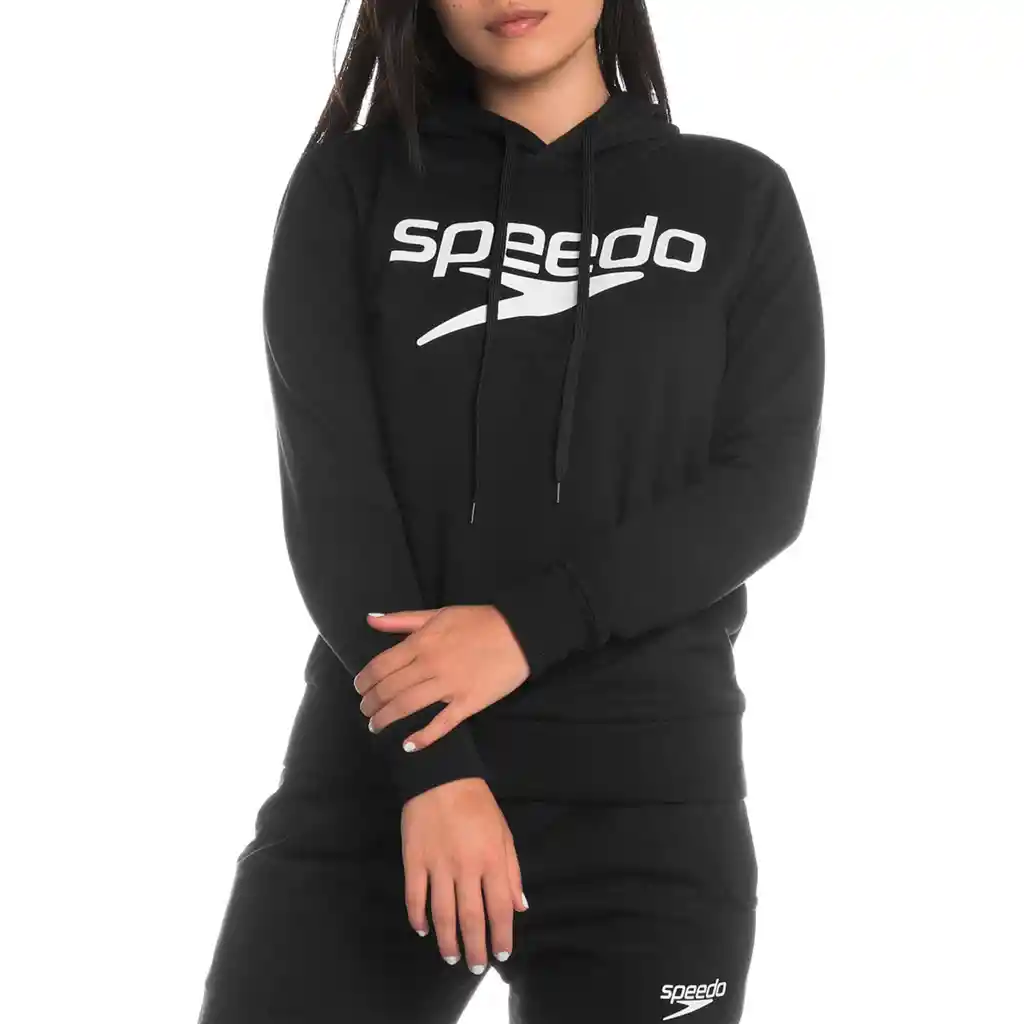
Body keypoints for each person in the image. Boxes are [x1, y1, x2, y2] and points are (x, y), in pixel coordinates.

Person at [196, 1, 824, 1021]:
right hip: (376, 787)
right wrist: (434, 771)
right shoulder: (351, 187)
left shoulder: (736, 197)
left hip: (648, 812)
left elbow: (760, 489)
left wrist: (523, 630)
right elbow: (336, 496)